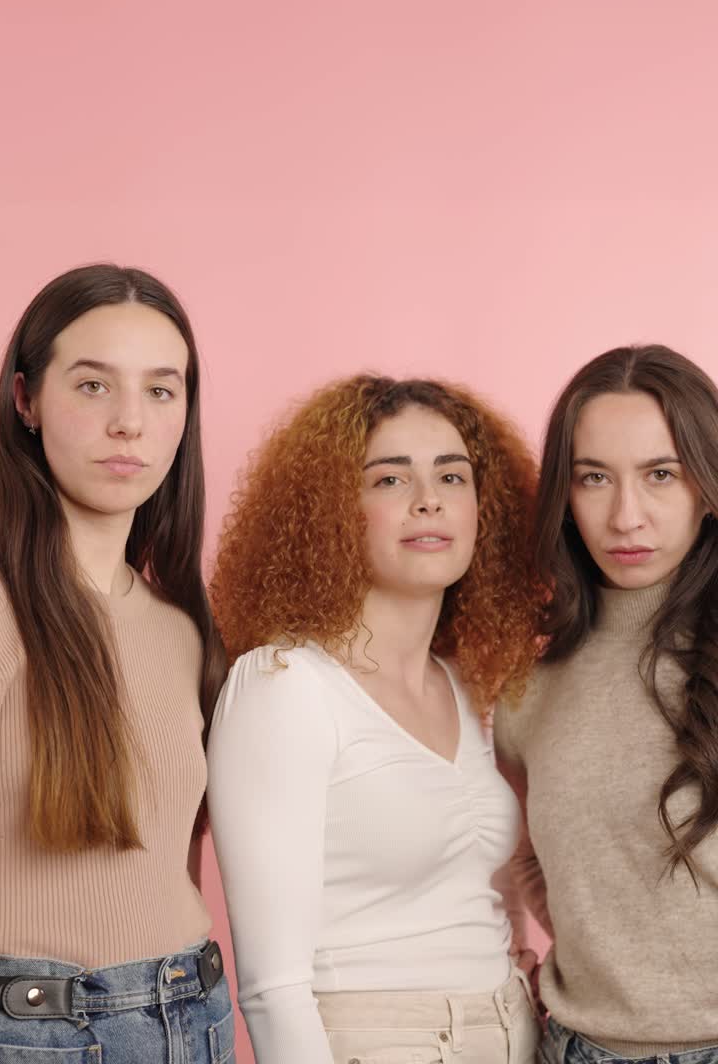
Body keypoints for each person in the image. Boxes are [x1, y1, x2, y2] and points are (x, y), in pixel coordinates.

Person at [208, 374, 543, 1064]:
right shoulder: (285, 684)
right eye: (390, 480)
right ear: (332, 513)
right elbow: (273, 988)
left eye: (452, 476)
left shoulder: (465, 684)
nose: (428, 499)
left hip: (513, 1033)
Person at [0, 264, 231, 1062]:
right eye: (93, 386)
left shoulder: (183, 630)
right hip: (36, 1033)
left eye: (161, 391)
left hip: (194, 1016)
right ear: (26, 399)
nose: (130, 423)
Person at [495, 343, 718, 1062]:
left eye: (661, 474)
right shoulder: (530, 682)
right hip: (576, 1046)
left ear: (707, 485)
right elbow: (533, 856)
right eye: (594, 478)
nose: (626, 517)